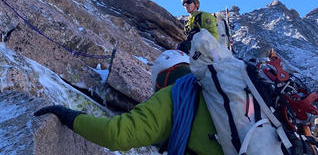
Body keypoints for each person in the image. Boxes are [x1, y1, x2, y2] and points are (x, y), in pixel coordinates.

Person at [34, 50, 223, 154]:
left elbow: (116, 134)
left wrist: (69, 116)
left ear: (163, 79)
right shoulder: (217, 88)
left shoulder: (176, 94)